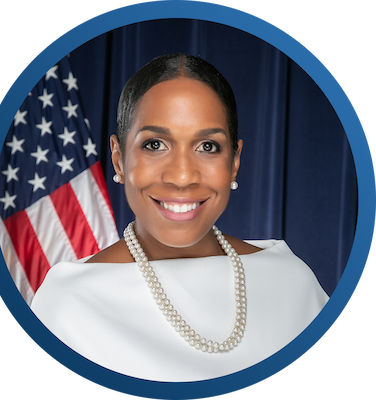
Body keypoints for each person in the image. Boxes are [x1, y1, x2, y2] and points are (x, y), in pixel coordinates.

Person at [31, 54, 328, 382]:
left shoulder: (291, 283)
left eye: (208, 146)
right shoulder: (68, 305)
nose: (183, 176)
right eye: (155, 144)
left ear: (234, 161)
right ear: (118, 160)